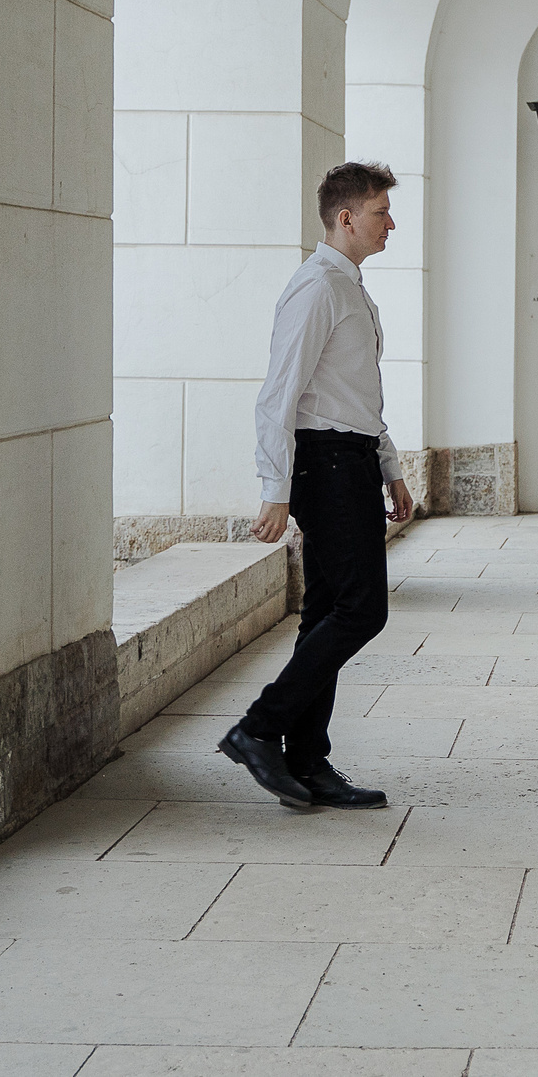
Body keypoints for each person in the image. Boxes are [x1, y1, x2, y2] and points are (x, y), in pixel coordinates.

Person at [219, 161, 418, 810]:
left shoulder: (351, 288)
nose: (392, 223)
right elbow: (280, 394)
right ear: (347, 217)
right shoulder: (316, 288)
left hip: (351, 460)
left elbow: (358, 396)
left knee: (327, 612)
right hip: (324, 465)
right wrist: (274, 487)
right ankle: (257, 729)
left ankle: (307, 760)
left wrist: (390, 468)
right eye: (382, 211)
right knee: (362, 609)